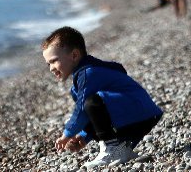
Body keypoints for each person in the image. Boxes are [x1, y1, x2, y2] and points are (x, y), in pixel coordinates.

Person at [42, 26, 162, 168]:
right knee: (89, 105)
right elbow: (91, 116)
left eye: (54, 61)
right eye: (48, 63)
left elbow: (82, 110)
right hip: (138, 116)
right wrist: (83, 136)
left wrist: (67, 134)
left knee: (91, 103)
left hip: (141, 113)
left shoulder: (89, 74)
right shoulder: (83, 77)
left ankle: (114, 150)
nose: (51, 68)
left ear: (74, 55)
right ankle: (122, 150)